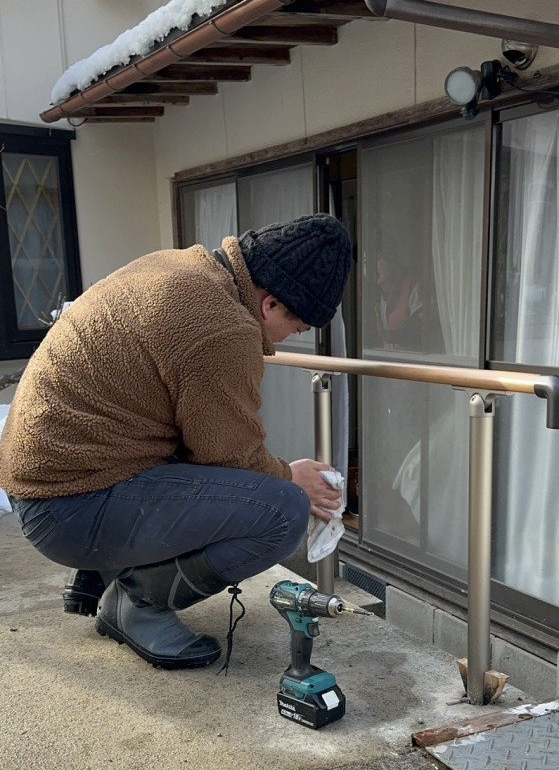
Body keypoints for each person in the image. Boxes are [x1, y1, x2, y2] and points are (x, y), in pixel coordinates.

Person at [0, 213, 352, 671]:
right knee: (282, 511)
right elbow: (228, 456)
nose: (287, 341)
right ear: (270, 305)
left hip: (44, 482)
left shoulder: (183, 266)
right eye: (297, 327)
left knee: (176, 444)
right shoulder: (223, 327)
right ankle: (137, 605)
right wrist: (291, 476)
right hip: (66, 504)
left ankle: (99, 573)